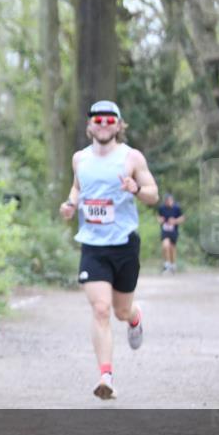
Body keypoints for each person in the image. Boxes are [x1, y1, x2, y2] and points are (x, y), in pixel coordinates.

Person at [59, 100, 158, 400]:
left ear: (118, 125)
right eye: (98, 120)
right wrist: (71, 203)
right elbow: (78, 187)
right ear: (89, 125)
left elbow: (153, 194)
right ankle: (106, 377)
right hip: (93, 245)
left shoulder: (131, 158)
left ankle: (134, 317)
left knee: (121, 311)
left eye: (109, 120)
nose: (103, 124)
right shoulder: (80, 159)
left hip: (124, 244)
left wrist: (135, 189)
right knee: (100, 309)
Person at [157, 193, 184, 273]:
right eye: (167, 201)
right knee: (165, 246)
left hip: (173, 231)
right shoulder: (162, 208)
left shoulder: (177, 208)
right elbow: (158, 217)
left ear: (172, 200)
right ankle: (167, 265)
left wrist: (175, 221)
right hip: (165, 230)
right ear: (165, 201)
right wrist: (160, 220)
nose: (169, 202)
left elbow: (182, 218)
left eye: (170, 200)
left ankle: (173, 265)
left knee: (172, 248)